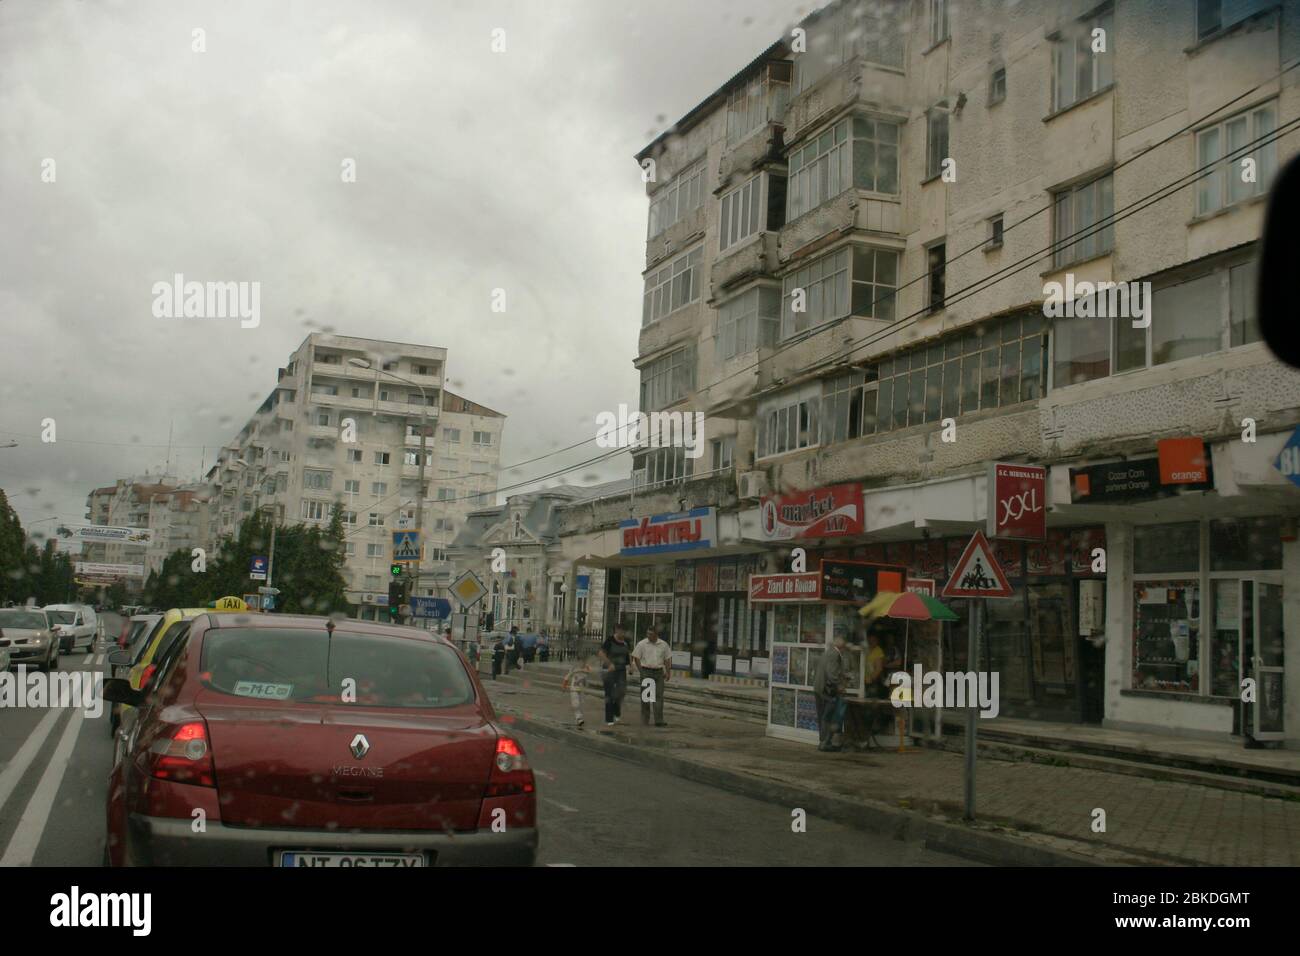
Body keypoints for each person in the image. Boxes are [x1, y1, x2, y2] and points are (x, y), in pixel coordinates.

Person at [812, 634, 848, 752]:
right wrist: (840, 686)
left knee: (823, 716)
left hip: (819, 688)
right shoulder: (835, 654)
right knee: (828, 717)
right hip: (827, 691)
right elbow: (832, 674)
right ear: (841, 646)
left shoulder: (828, 652)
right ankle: (825, 743)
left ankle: (823, 742)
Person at [631, 627, 672, 727]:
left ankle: (659, 720)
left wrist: (668, 672)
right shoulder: (642, 644)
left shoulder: (664, 645)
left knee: (658, 697)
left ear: (656, 634)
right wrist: (641, 671)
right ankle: (645, 720)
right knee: (646, 697)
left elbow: (667, 659)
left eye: (651, 634)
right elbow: (636, 657)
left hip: (658, 673)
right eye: (647, 634)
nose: (648, 636)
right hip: (646, 671)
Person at [598, 626, 632, 726]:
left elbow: (628, 654)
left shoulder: (626, 642)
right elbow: (600, 653)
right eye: (621, 632)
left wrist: (631, 665)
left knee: (621, 692)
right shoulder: (609, 640)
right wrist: (609, 663)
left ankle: (616, 713)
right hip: (609, 670)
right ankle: (609, 719)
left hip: (621, 670)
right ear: (617, 631)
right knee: (609, 694)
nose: (623, 634)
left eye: (624, 632)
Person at [562, 656, 592, 730]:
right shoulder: (574, 669)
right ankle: (579, 719)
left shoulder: (586, 669)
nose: (581, 664)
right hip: (574, 689)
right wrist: (564, 686)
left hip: (582, 690)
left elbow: (590, 672)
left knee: (581, 704)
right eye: (580, 662)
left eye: (583, 662)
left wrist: (587, 667)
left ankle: (579, 718)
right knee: (576, 704)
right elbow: (567, 677)